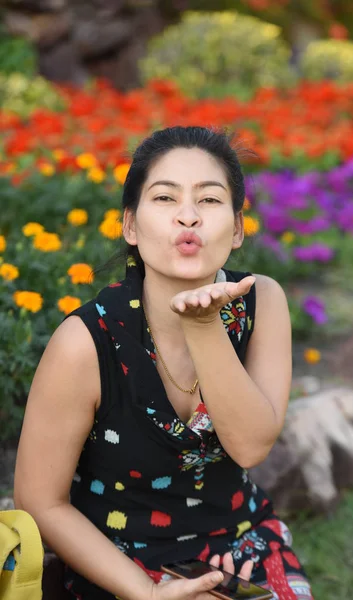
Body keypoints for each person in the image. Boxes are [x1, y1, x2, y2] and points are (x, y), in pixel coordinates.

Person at [13, 126, 314, 600]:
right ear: (130, 226)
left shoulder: (263, 301)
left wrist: (204, 326)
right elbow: (39, 501)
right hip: (117, 558)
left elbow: (251, 445)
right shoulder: (86, 342)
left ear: (237, 229)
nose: (188, 217)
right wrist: (145, 592)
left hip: (239, 542)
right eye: (165, 198)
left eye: (210, 200)